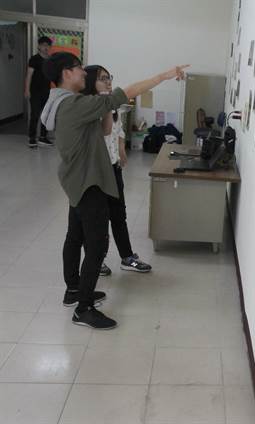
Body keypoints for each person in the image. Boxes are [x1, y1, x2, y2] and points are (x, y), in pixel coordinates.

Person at [41, 52, 188, 329]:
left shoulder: (62, 102)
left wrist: (105, 102)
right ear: (66, 73)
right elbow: (127, 92)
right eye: (79, 68)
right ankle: (83, 308)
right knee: (97, 244)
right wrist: (164, 76)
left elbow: (106, 131)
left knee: (75, 236)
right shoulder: (72, 104)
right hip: (88, 182)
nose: (83, 72)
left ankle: (74, 290)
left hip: (79, 179)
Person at [81, 65, 152, 276]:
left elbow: (118, 129)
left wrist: (121, 149)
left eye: (109, 77)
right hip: (96, 172)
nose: (109, 82)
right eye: (103, 78)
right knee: (98, 220)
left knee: (119, 214)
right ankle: (97, 260)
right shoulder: (86, 107)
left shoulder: (113, 104)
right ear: (90, 82)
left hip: (113, 167)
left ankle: (127, 257)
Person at [24, 36, 54, 148]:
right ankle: (32, 138)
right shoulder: (34, 59)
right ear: (39, 46)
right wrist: (27, 90)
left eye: (48, 45)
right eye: (44, 45)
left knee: (46, 116)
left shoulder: (50, 60)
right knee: (35, 115)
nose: (46, 47)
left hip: (47, 92)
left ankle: (43, 137)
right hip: (35, 92)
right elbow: (29, 75)